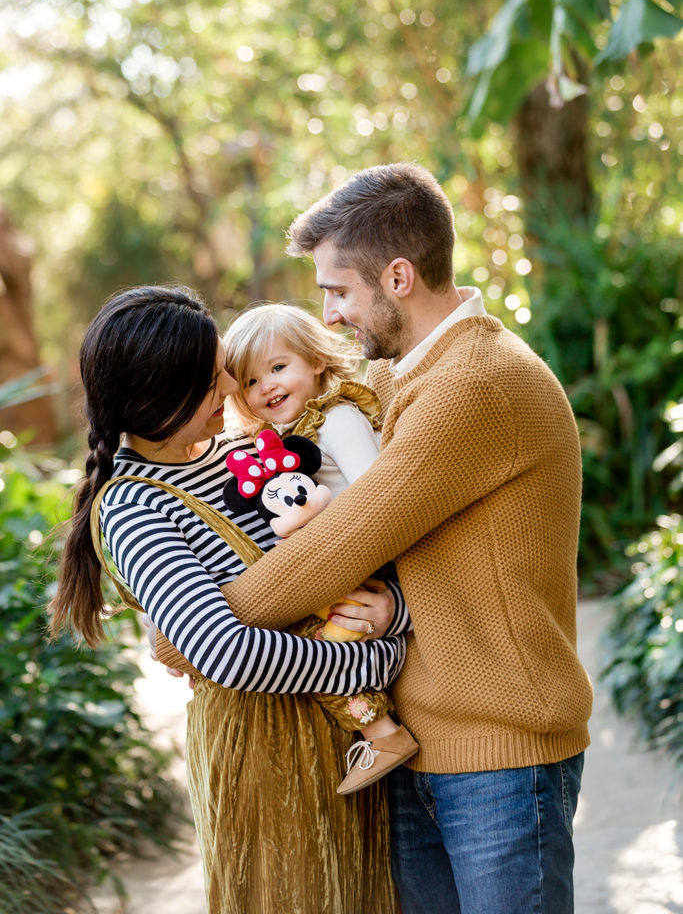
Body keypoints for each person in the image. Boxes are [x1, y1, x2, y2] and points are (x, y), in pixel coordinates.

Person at [182, 163, 594, 914]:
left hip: (500, 755)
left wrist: (194, 631)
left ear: (398, 276)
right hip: (422, 745)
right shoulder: (406, 378)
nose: (330, 316)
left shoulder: (475, 384)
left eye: (338, 290)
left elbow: (349, 537)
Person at [49, 285, 408, 914]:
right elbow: (225, 650)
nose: (231, 388)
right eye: (214, 378)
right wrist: (381, 662)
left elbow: (345, 553)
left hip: (353, 741)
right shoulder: (135, 507)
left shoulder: (238, 452)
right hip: (266, 757)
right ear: (162, 394)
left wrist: (390, 617)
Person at [222, 302, 419, 793]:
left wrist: (314, 519)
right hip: (331, 569)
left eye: (277, 367)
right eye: (248, 381)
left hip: (365, 563)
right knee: (308, 649)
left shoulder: (338, 419)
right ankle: (381, 731)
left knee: (319, 658)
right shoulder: (278, 439)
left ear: (314, 360)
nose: (265, 386)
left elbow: (378, 495)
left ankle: (383, 734)